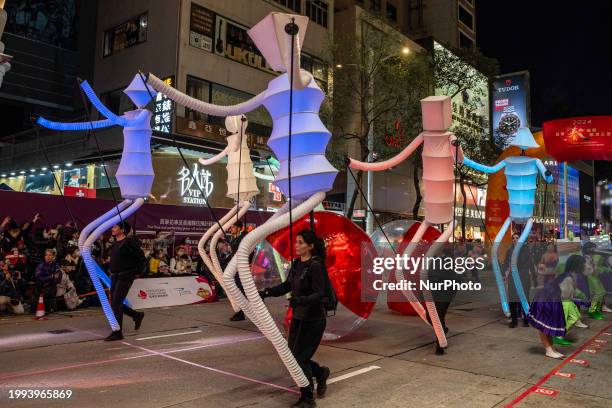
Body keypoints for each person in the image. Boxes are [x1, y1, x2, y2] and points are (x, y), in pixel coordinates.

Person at [259, 230, 331, 408]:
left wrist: (300, 300)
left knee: (300, 358)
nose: (296, 245)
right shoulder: (297, 263)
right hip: (299, 317)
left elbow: (319, 294)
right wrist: (267, 292)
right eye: (296, 242)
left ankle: (307, 398)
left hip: (313, 319)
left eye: (300, 242)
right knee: (293, 357)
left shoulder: (315, 266)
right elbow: (287, 286)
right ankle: (321, 373)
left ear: (311, 246)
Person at [528, 255, 584, 359]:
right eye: (582, 264)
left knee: (547, 326)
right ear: (578, 265)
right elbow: (565, 295)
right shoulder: (568, 277)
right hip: (547, 298)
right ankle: (548, 349)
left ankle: (550, 348)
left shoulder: (569, 275)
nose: (584, 266)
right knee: (544, 326)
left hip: (551, 298)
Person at [105, 221, 146, 341]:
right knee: (114, 303)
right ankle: (137, 315)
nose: (112, 229)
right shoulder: (116, 243)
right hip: (115, 276)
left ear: (122, 230)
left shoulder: (129, 242)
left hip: (125, 276)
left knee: (116, 303)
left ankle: (117, 332)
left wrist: (138, 272)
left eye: (115, 227)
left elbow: (140, 256)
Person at [504, 233, 535, 328]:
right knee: (512, 299)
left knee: (524, 298)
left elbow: (530, 263)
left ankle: (526, 320)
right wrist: (505, 273)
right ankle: (514, 321)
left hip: (524, 277)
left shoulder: (525, 250)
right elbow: (506, 263)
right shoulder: (509, 251)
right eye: (513, 238)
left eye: (517, 238)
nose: (515, 239)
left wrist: (534, 276)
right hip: (513, 277)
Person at [34, 248, 62, 313]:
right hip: (42, 288)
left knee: (53, 289)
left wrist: (51, 280)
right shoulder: (41, 266)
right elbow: (38, 277)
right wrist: (51, 276)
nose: (47, 257)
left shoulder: (56, 265)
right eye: (46, 255)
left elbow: (59, 276)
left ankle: (51, 308)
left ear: (53, 257)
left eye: (49, 255)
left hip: (52, 287)